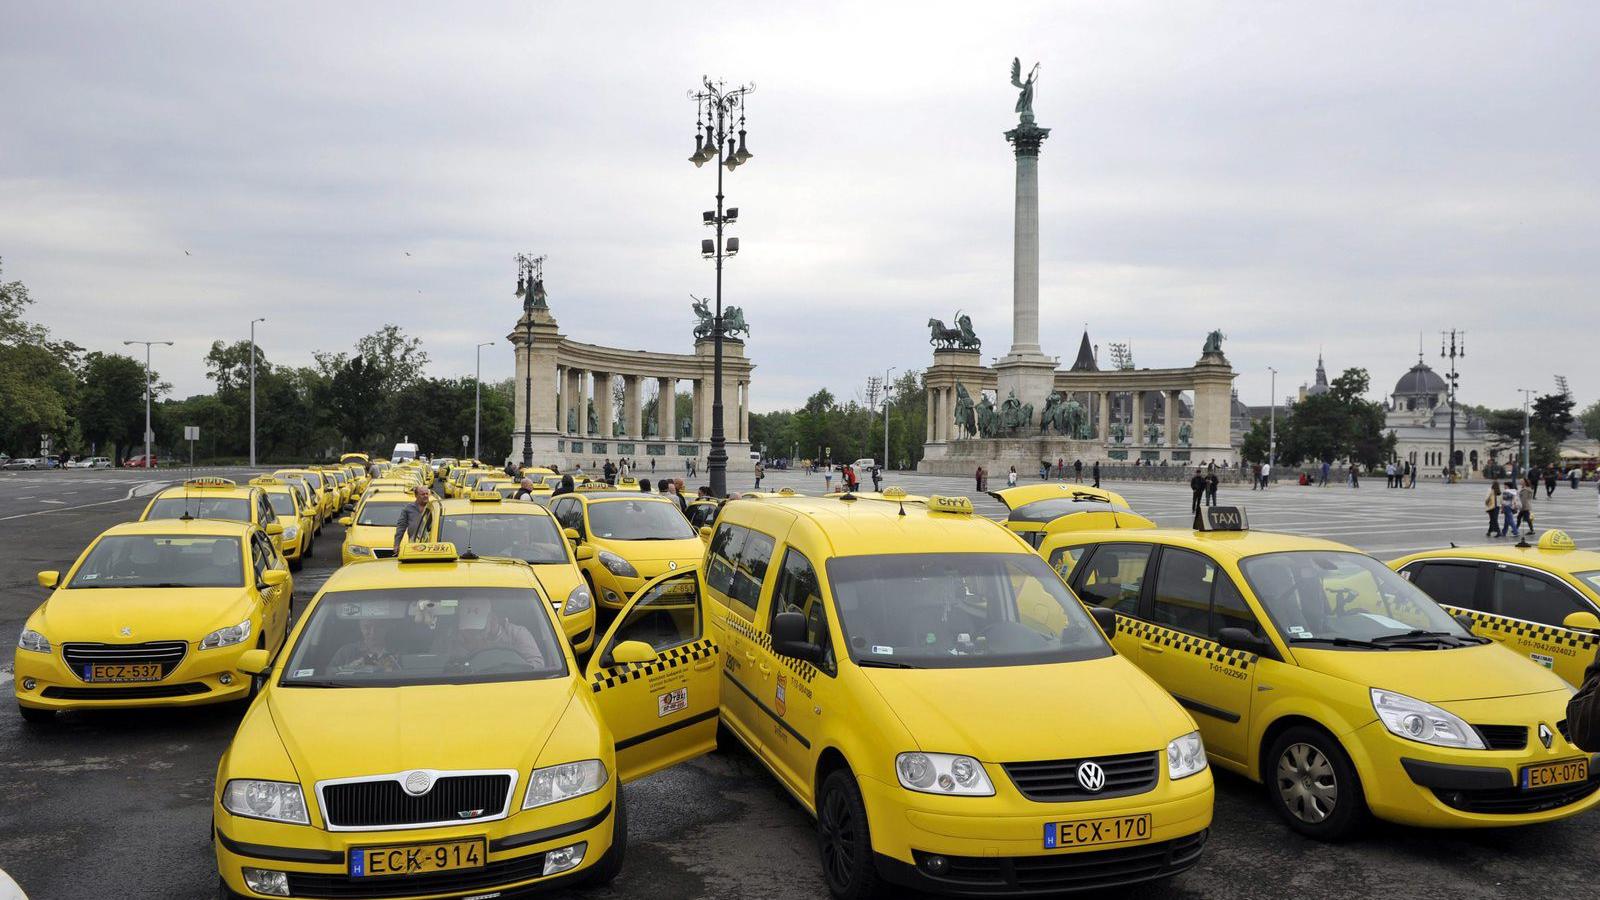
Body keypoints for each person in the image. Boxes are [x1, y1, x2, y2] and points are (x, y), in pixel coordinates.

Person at [434, 596, 544, 668]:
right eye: (468, 629)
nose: (473, 634)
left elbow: (538, 665)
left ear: (493, 620)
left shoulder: (517, 634)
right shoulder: (450, 639)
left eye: (478, 630)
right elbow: (435, 666)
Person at [330, 618, 401, 672]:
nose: (373, 633)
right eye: (367, 627)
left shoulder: (400, 653)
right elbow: (329, 673)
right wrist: (349, 667)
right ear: (360, 628)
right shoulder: (346, 652)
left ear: (387, 628)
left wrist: (395, 668)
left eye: (379, 627)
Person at [393, 485, 430, 551]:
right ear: (416, 495)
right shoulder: (408, 509)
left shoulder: (432, 508)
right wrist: (396, 544)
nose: (425, 496)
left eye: (427, 494)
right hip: (414, 547)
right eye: (422, 494)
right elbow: (401, 527)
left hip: (431, 546)